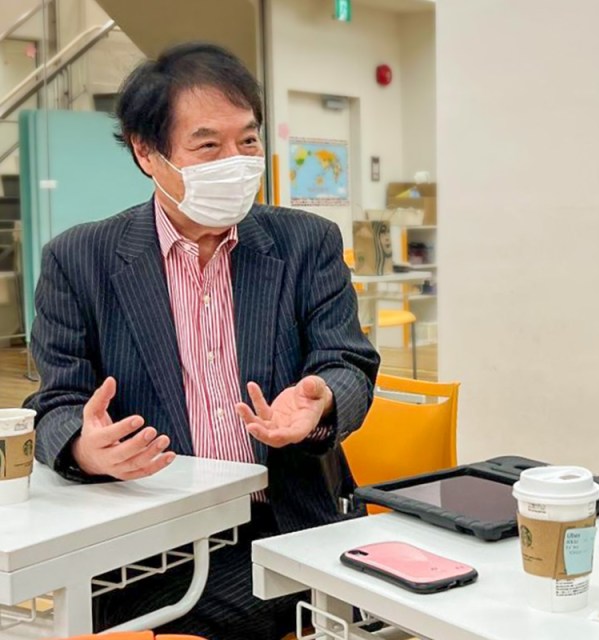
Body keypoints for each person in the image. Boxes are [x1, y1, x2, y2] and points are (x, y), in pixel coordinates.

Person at [24, 43, 380, 639]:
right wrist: (86, 448)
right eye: (208, 145)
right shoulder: (79, 260)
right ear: (147, 152)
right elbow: (55, 405)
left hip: (283, 524)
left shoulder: (305, 244)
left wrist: (320, 401)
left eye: (248, 140)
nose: (236, 161)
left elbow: (347, 363)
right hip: (149, 537)